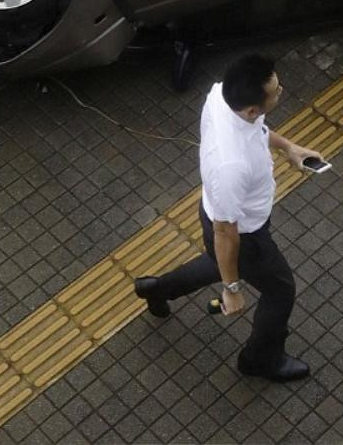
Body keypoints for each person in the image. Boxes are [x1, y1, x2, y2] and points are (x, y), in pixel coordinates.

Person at [134, 52, 325, 383]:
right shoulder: (231, 166)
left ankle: (156, 289)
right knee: (280, 291)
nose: (281, 92)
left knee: (217, 261)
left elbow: (259, 131)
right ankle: (259, 360)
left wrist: (289, 147)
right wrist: (232, 289)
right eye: (277, 92)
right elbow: (226, 233)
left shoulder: (222, 96)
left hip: (218, 214)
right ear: (252, 108)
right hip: (244, 234)